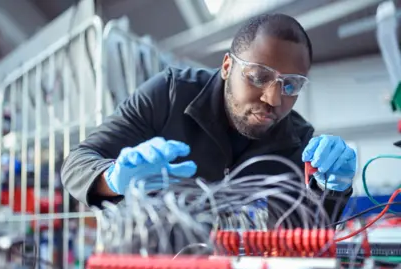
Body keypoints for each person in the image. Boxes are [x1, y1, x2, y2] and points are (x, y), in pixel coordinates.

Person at [61, 14, 356, 225]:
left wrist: (334, 189)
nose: (274, 99)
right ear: (227, 66)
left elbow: (306, 231)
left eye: (291, 85)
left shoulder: (299, 140)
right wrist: (113, 178)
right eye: (258, 77)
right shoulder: (170, 94)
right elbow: (77, 162)